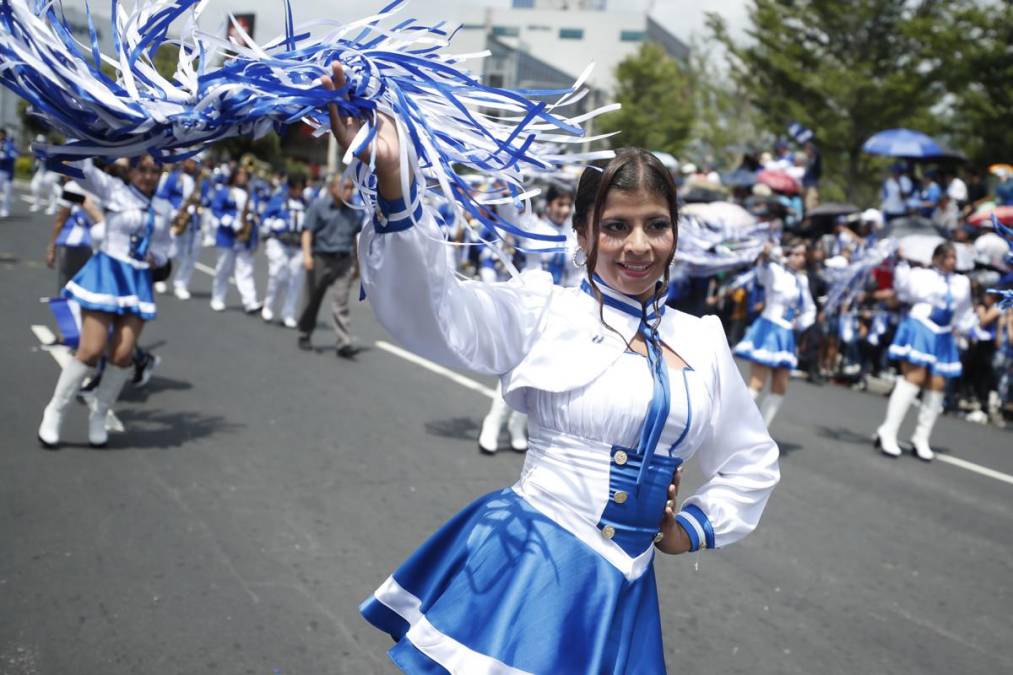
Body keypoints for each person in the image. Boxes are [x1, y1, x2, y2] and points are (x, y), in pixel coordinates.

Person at [320, 63, 779, 672]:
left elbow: (751, 459)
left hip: (622, 588)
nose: (638, 246)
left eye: (656, 225)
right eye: (616, 227)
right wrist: (396, 185)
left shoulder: (701, 339)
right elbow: (438, 312)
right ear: (584, 232)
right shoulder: (544, 309)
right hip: (532, 562)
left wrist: (688, 528)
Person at [37, 155, 171, 448]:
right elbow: (81, 169)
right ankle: (56, 410)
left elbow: (164, 247)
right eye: (143, 169)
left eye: (155, 171)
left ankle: (99, 413)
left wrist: (156, 258)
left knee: (123, 354)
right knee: (91, 350)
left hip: (138, 282)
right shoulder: (114, 190)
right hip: (108, 274)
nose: (149, 176)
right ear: (132, 169)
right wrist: (93, 135)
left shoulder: (163, 207)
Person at [875, 243, 971, 460]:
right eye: (947, 257)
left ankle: (921, 437)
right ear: (936, 258)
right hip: (921, 326)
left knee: (938, 383)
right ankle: (888, 431)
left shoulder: (961, 282)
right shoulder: (921, 275)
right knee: (914, 377)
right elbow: (909, 293)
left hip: (944, 333)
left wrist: (965, 328)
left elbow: (964, 309)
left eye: (954, 258)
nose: (952, 262)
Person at [733, 239, 816, 425]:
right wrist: (764, 254)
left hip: (786, 334)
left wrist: (798, 323)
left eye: (803, 255)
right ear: (787, 253)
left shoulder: (802, 280)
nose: (800, 259)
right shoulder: (774, 270)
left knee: (780, 387)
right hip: (768, 328)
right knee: (757, 383)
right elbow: (761, 274)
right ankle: (731, 425)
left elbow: (810, 308)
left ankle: (762, 433)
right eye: (796, 254)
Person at [296, 174, 363, 357]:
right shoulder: (318, 206)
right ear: (333, 188)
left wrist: (357, 264)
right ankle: (305, 332)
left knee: (341, 302)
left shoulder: (354, 211)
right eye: (345, 187)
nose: (349, 192)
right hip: (321, 258)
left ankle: (344, 343)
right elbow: (307, 231)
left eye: (351, 188)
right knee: (312, 299)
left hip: (343, 261)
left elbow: (355, 239)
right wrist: (307, 255)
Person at [209, 166, 261, 313]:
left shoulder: (252, 194)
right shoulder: (225, 191)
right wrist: (229, 221)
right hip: (227, 235)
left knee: (245, 270)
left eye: (245, 175)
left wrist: (253, 220)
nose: (243, 177)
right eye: (240, 174)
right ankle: (218, 298)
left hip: (245, 237)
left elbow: (256, 211)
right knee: (223, 268)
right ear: (234, 175)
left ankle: (250, 302)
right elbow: (216, 208)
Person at [261, 174, 308, 328]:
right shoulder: (279, 200)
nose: (298, 191)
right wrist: (273, 223)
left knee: (296, 279)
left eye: (301, 188)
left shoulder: (305, 204)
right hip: (279, 242)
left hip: (297, 245)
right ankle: (268, 306)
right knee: (277, 273)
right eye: (296, 188)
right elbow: (263, 218)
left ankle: (288, 313)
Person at [159, 156, 207, 300]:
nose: (191, 164)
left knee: (191, 255)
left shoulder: (202, 182)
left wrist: (199, 206)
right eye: (189, 160)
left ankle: (181, 284)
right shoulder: (174, 177)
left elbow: (208, 199)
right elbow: (162, 196)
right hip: (176, 220)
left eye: (194, 162)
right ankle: (161, 277)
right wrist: (172, 210)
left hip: (193, 222)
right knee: (168, 250)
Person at [0, 128, 17, 217]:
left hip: (7, 172)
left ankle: (5, 210)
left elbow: (14, 155)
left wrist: (5, 157)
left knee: (7, 192)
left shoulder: (9, 145)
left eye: (1, 134)